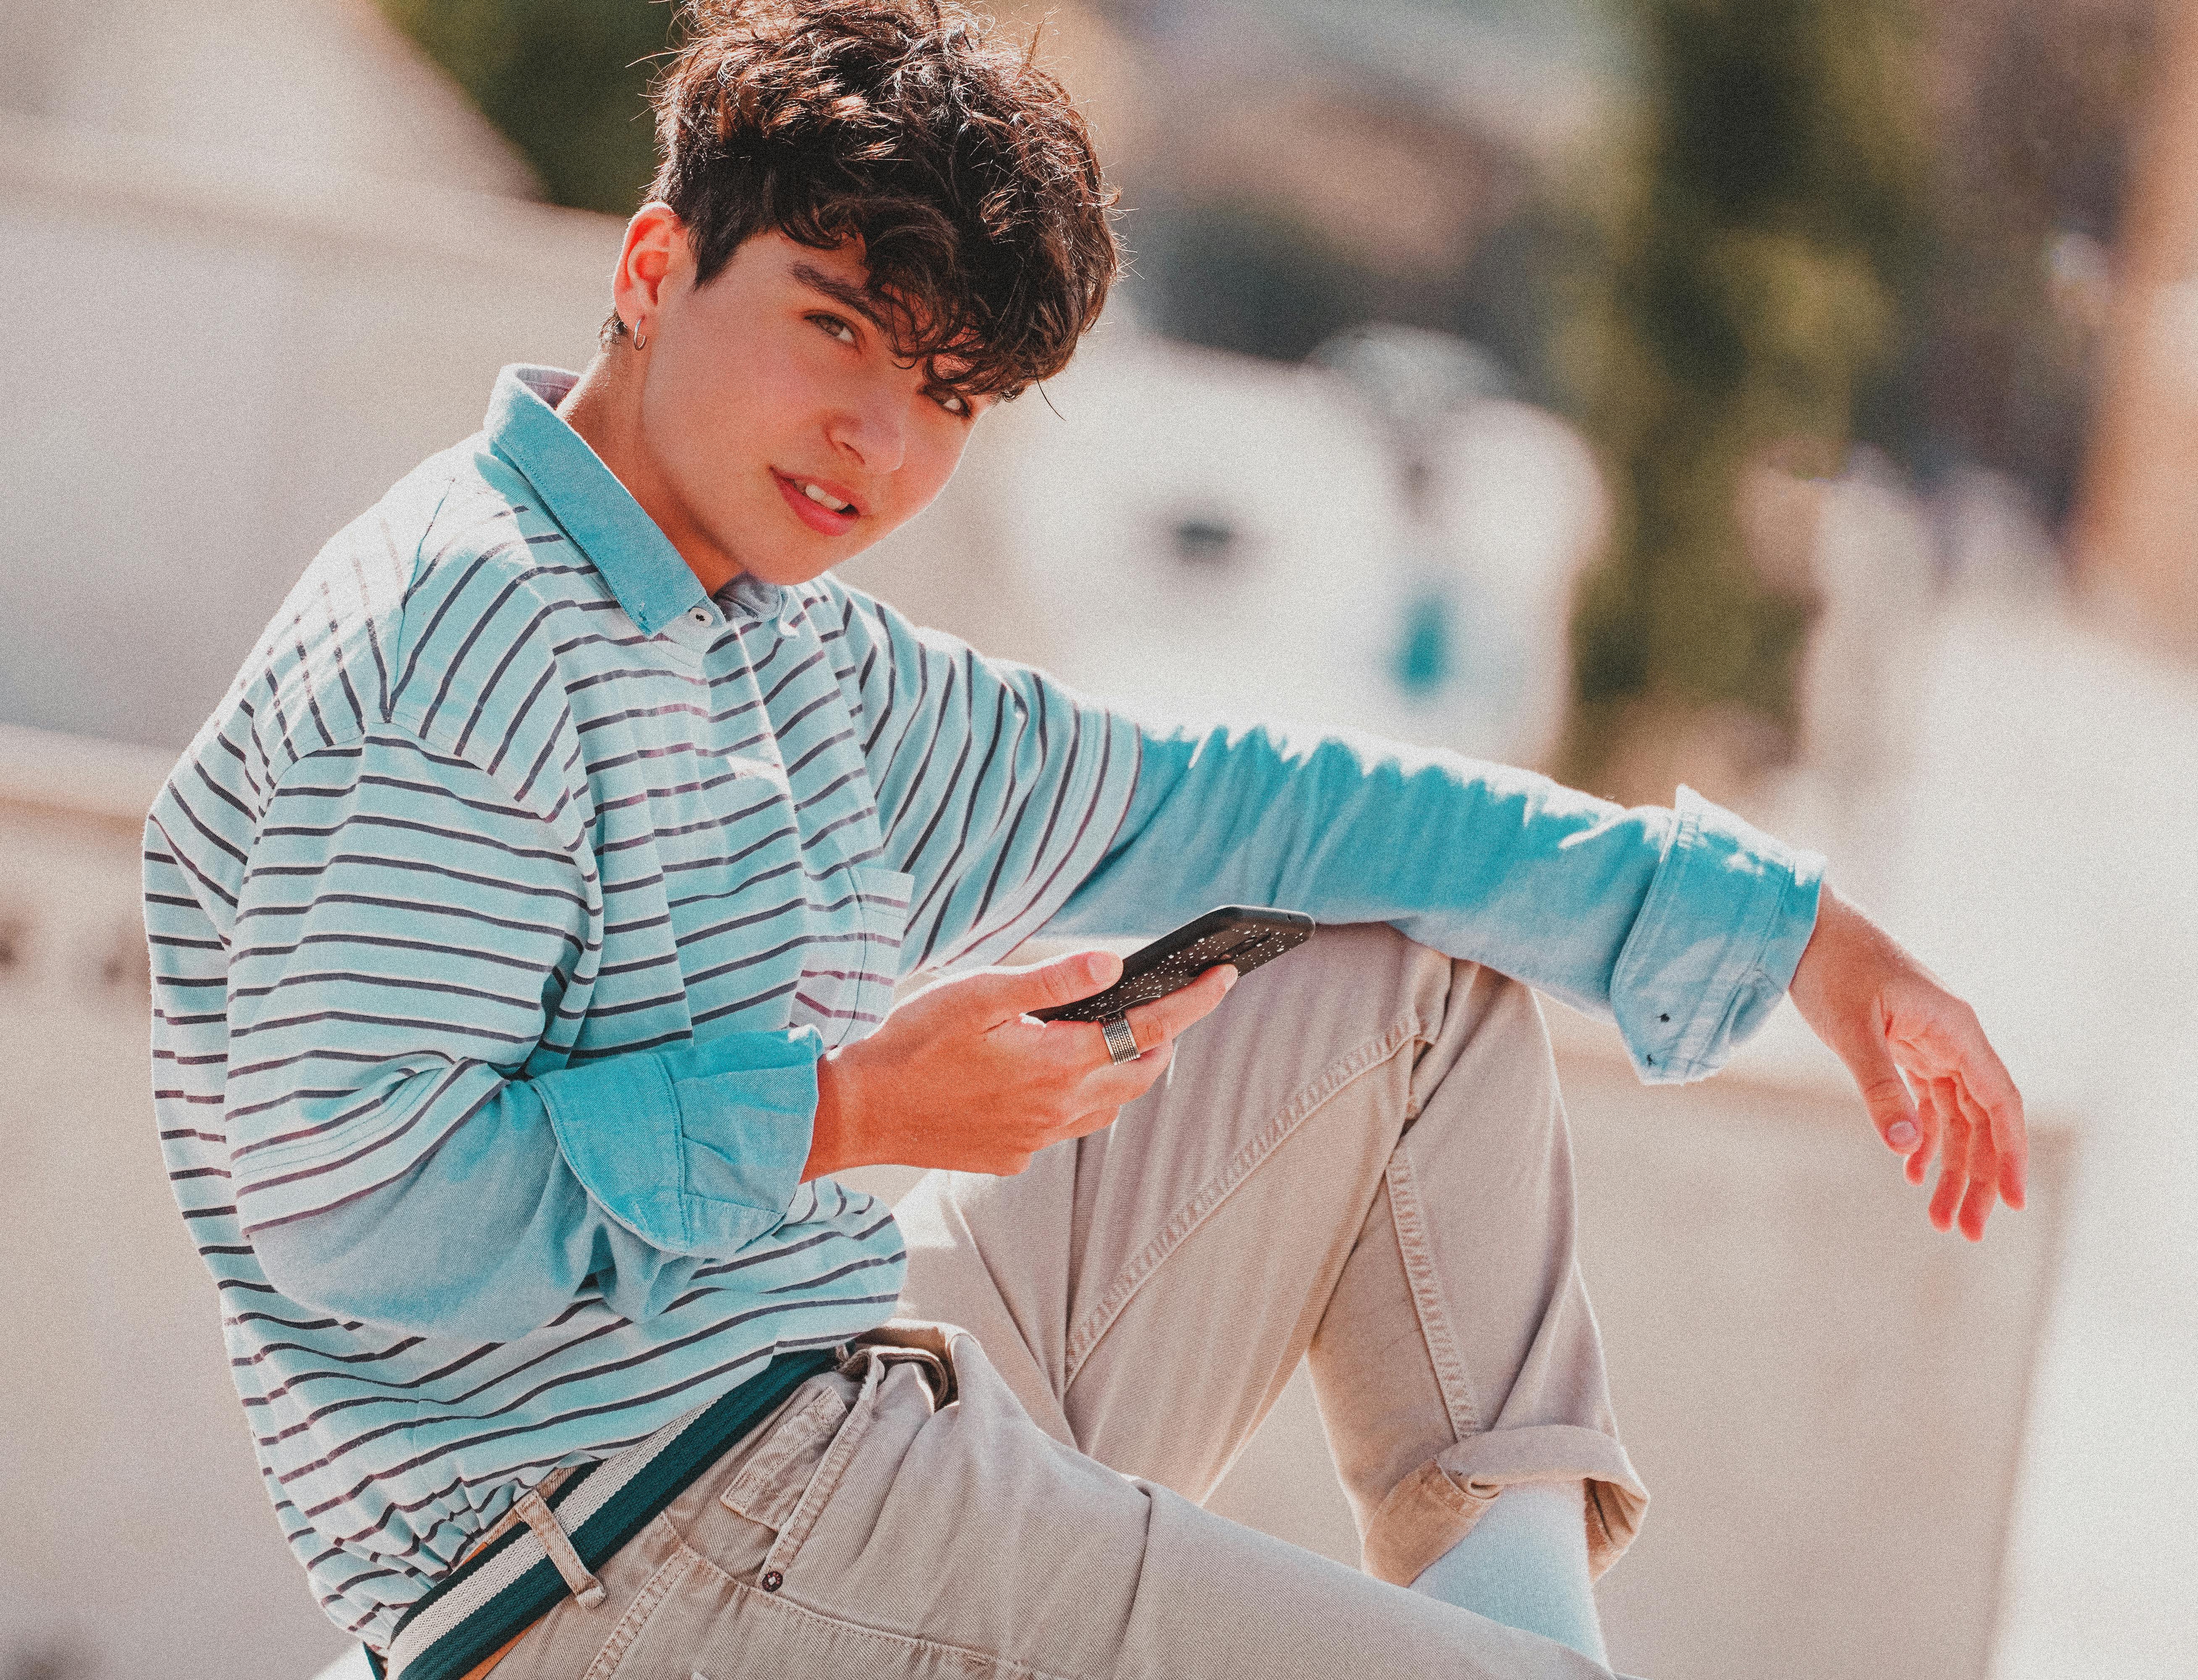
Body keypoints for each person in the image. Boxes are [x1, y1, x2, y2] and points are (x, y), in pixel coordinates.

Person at [140, 2, 2027, 1675]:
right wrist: (852, 1113)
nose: (875, 436)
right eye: (836, 328)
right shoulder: (471, 634)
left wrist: (1787, 932)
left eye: (947, 393)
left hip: (814, 1410)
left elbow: (1251, 804)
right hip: (623, 1565)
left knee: (1400, 985)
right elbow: (363, 1220)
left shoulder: (781, 651)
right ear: (652, 266)